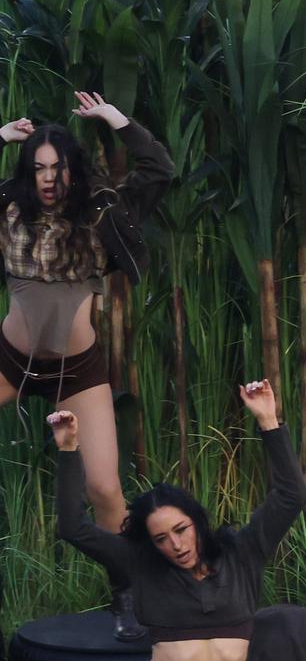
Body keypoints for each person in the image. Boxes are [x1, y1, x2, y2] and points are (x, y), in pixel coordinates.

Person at [49, 381, 306, 661]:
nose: (176, 544)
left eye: (181, 530)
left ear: (197, 523)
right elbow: (73, 527)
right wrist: (68, 450)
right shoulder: (140, 563)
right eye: (161, 538)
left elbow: (292, 496)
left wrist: (269, 423)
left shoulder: (242, 552)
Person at [3, 96, 175, 539]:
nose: (47, 178)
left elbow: (160, 169)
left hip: (77, 370)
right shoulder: (9, 207)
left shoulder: (103, 210)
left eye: (56, 167)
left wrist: (118, 121)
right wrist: (0, 137)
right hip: (9, 361)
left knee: (104, 488)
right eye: (38, 168)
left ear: (72, 170)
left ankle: (126, 593)